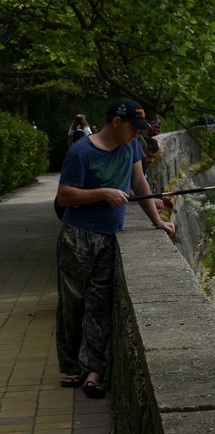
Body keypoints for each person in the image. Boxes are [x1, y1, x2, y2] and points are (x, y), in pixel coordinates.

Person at [56, 98, 175, 399]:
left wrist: (157, 221)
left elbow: (140, 183)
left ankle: (94, 371)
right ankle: (72, 366)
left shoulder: (131, 147)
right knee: (73, 302)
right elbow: (64, 196)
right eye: (134, 128)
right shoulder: (82, 152)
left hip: (110, 236)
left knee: (99, 305)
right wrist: (103, 193)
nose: (138, 134)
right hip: (78, 236)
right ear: (117, 122)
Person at [138, 135, 175, 211]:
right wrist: (150, 200)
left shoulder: (143, 166)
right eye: (148, 156)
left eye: (154, 157)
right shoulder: (132, 167)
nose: (151, 160)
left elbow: (144, 191)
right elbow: (129, 190)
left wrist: (162, 200)